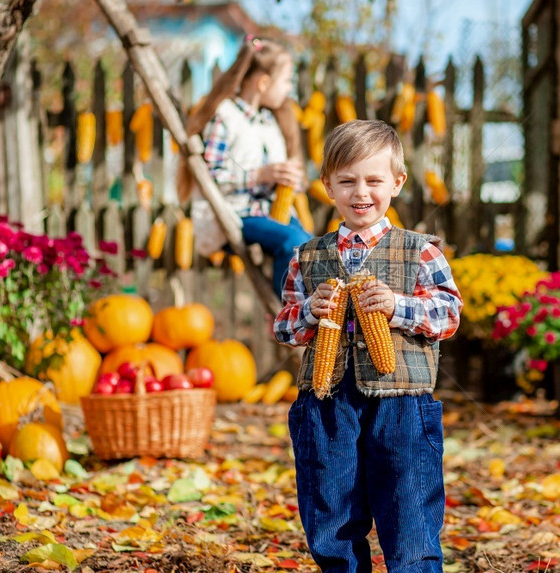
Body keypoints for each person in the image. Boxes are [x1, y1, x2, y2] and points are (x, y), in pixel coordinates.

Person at [273, 120, 463, 573]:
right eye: (347, 181)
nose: (361, 192)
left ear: (396, 183)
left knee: (409, 512)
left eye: (374, 180)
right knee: (331, 513)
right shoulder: (307, 256)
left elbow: (449, 314)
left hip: (402, 404)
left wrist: (398, 306)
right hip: (327, 403)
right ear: (328, 186)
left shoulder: (421, 251)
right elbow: (284, 328)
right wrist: (309, 314)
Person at [179, 35, 311, 295]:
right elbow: (211, 178)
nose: (289, 89)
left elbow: (275, 179)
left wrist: (287, 180)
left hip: (267, 212)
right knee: (293, 242)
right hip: (234, 214)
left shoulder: (269, 123)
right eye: (286, 81)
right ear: (263, 82)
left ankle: (303, 312)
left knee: (314, 249)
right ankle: (286, 315)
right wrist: (261, 174)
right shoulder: (225, 116)